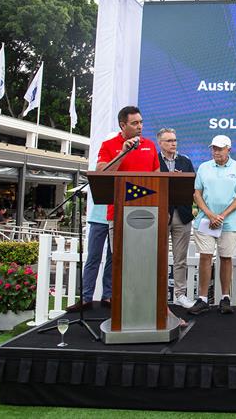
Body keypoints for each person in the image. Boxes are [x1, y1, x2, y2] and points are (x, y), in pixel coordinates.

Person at [91, 106, 160, 312]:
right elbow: (101, 174)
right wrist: (123, 152)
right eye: (135, 123)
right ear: (123, 125)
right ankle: (122, 307)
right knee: (120, 260)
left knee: (143, 261)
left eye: (141, 122)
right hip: (118, 213)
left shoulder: (149, 145)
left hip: (147, 213)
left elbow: (157, 177)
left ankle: (143, 305)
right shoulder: (109, 145)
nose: (140, 127)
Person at [189, 135, 236, 315]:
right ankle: (203, 299)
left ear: (228, 149)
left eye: (220, 148)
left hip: (229, 221)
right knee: (205, 257)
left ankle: (225, 297)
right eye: (214, 148)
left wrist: (222, 215)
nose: (216, 151)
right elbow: (197, 194)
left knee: (226, 258)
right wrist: (210, 214)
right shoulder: (204, 167)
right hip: (206, 220)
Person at [157, 128, 196, 309]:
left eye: (175, 140)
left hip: (182, 215)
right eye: (169, 141)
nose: (173, 143)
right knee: (159, 257)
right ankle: (159, 295)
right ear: (160, 143)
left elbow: (194, 187)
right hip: (161, 214)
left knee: (180, 258)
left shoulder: (185, 161)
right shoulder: (154, 161)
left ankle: (180, 294)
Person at [81, 202, 111, 309]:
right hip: (98, 219)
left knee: (112, 260)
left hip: (117, 218)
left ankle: (108, 296)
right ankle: (86, 298)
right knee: (93, 258)